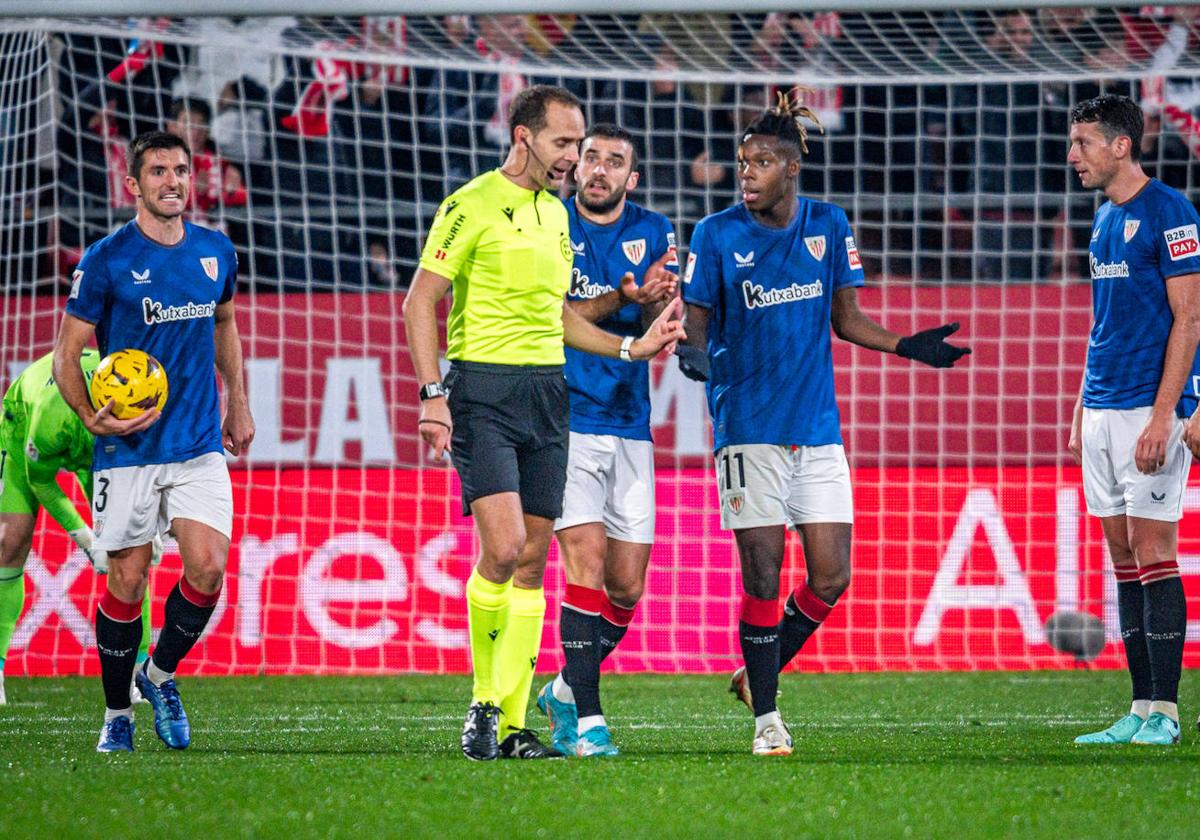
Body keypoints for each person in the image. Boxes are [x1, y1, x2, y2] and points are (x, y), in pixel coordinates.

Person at [677, 92, 970, 756]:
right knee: (762, 575)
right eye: (741, 161)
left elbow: (846, 319)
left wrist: (905, 346)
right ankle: (767, 719)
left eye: (759, 162)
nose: (745, 173)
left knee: (831, 576)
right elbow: (694, 314)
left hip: (816, 429)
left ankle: (758, 671)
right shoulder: (715, 233)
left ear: (790, 168)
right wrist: (692, 350)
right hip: (747, 426)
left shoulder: (829, 225)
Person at [403, 85, 685, 762]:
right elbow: (420, 302)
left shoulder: (556, 218)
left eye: (579, 144)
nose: (573, 158)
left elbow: (556, 317)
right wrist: (432, 394)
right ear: (525, 137)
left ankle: (514, 724)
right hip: (483, 391)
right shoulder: (468, 204)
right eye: (565, 143)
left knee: (529, 568)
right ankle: (483, 702)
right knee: (501, 551)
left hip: (547, 395)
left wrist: (630, 346)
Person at [52, 130, 255, 753]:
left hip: (197, 443)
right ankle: (118, 714)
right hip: (129, 449)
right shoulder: (107, 259)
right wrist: (91, 418)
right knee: (128, 582)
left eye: (181, 170)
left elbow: (225, 322)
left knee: (209, 568)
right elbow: (68, 355)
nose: (174, 181)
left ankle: (158, 674)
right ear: (134, 184)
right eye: (159, 171)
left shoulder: (216, 252)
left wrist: (238, 402)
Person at [534, 124, 678, 758]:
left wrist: (651, 302)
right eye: (590, 157)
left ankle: (565, 687)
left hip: (629, 422)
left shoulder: (655, 229)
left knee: (625, 589)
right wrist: (616, 297)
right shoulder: (547, 222)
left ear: (632, 178)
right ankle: (588, 723)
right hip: (564, 416)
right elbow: (549, 315)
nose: (597, 169)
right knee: (585, 566)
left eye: (614, 162)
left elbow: (658, 324)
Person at [1066, 94, 1200, 747]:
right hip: (1101, 407)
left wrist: (1173, 411)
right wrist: (1080, 407)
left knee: (1154, 552)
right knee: (1122, 558)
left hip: (1150, 410)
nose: (1073, 156)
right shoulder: (1101, 219)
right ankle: (1138, 707)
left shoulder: (1171, 212)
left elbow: (1191, 317)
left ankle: (1167, 714)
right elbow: (1103, 324)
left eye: (1084, 142)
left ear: (1122, 144)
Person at [0, 349, 161, 706]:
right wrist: (87, 540)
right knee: (9, 545)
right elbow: (40, 480)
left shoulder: (146, 408)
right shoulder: (53, 416)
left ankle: (139, 675)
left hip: (100, 455)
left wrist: (156, 524)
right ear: (103, 403)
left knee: (131, 555)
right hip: (22, 430)